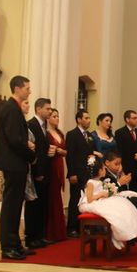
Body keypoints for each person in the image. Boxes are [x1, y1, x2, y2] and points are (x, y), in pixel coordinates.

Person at [0, 76, 36, 260]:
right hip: (13, 163)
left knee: (15, 206)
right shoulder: (11, 109)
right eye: (27, 88)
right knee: (11, 207)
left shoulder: (14, 108)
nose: (29, 91)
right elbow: (15, 140)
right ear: (17, 88)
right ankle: (8, 247)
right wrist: (31, 155)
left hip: (17, 163)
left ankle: (16, 244)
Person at [78, 157, 137, 250]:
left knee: (123, 207)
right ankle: (113, 234)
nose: (105, 170)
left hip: (99, 200)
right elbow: (89, 199)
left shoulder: (99, 182)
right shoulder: (90, 182)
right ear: (100, 171)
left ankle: (126, 234)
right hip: (91, 203)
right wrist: (100, 194)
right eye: (104, 168)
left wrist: (106, 194)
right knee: (112, 212)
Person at [24, 98, 53, 249]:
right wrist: (37, 172)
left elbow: (42, 149)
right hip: (36, 171)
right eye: (47, 109)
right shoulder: (31, 125)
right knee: (33, 206)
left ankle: (40, 236)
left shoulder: (44, 126)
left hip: (45, 170)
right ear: (38, 109)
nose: (50, 111)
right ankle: (31, 237)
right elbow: (33, 151)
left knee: (42, 205)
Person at [65, 110, 95, 238]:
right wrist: (72, 173)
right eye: (86, 118)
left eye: (89, 118)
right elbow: (70, 155)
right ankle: (72, 227)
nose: (89, 120)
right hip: (76, 173)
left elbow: (91, 153)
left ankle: (83, 226)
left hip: (88, 173)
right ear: (79, 119)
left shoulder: (89, 135)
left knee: (86, 200)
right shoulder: (72, 134)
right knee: (75, 199)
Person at [45, 108, 67, 242]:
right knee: (52, 197)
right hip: (51, 164)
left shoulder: (60, 133)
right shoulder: (46, 134)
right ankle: (50, 232)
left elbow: (66, 151)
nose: (57, 118)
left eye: (58, 116)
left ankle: (59, 231)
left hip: (60, 164)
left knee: (58, 195)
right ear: (48, 118)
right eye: (54, 116)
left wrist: (62, 151)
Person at [103, 150, 137, 217]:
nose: (118, 166)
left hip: (119, 196)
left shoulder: (117, 172)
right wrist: (119, 183)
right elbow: (108, 192)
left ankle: (136, 220)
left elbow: (123, 189)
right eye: (116, 164)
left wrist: (126, 181)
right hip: (110, 200)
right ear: (107, 163)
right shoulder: (104, 174)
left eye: (120, 164)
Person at [114, 110, 137, 194]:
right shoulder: (120, 132)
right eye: (134, 118)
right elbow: (119, 151)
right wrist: (120, 167)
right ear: (127, 119)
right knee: (127, 194)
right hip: (126, 169)